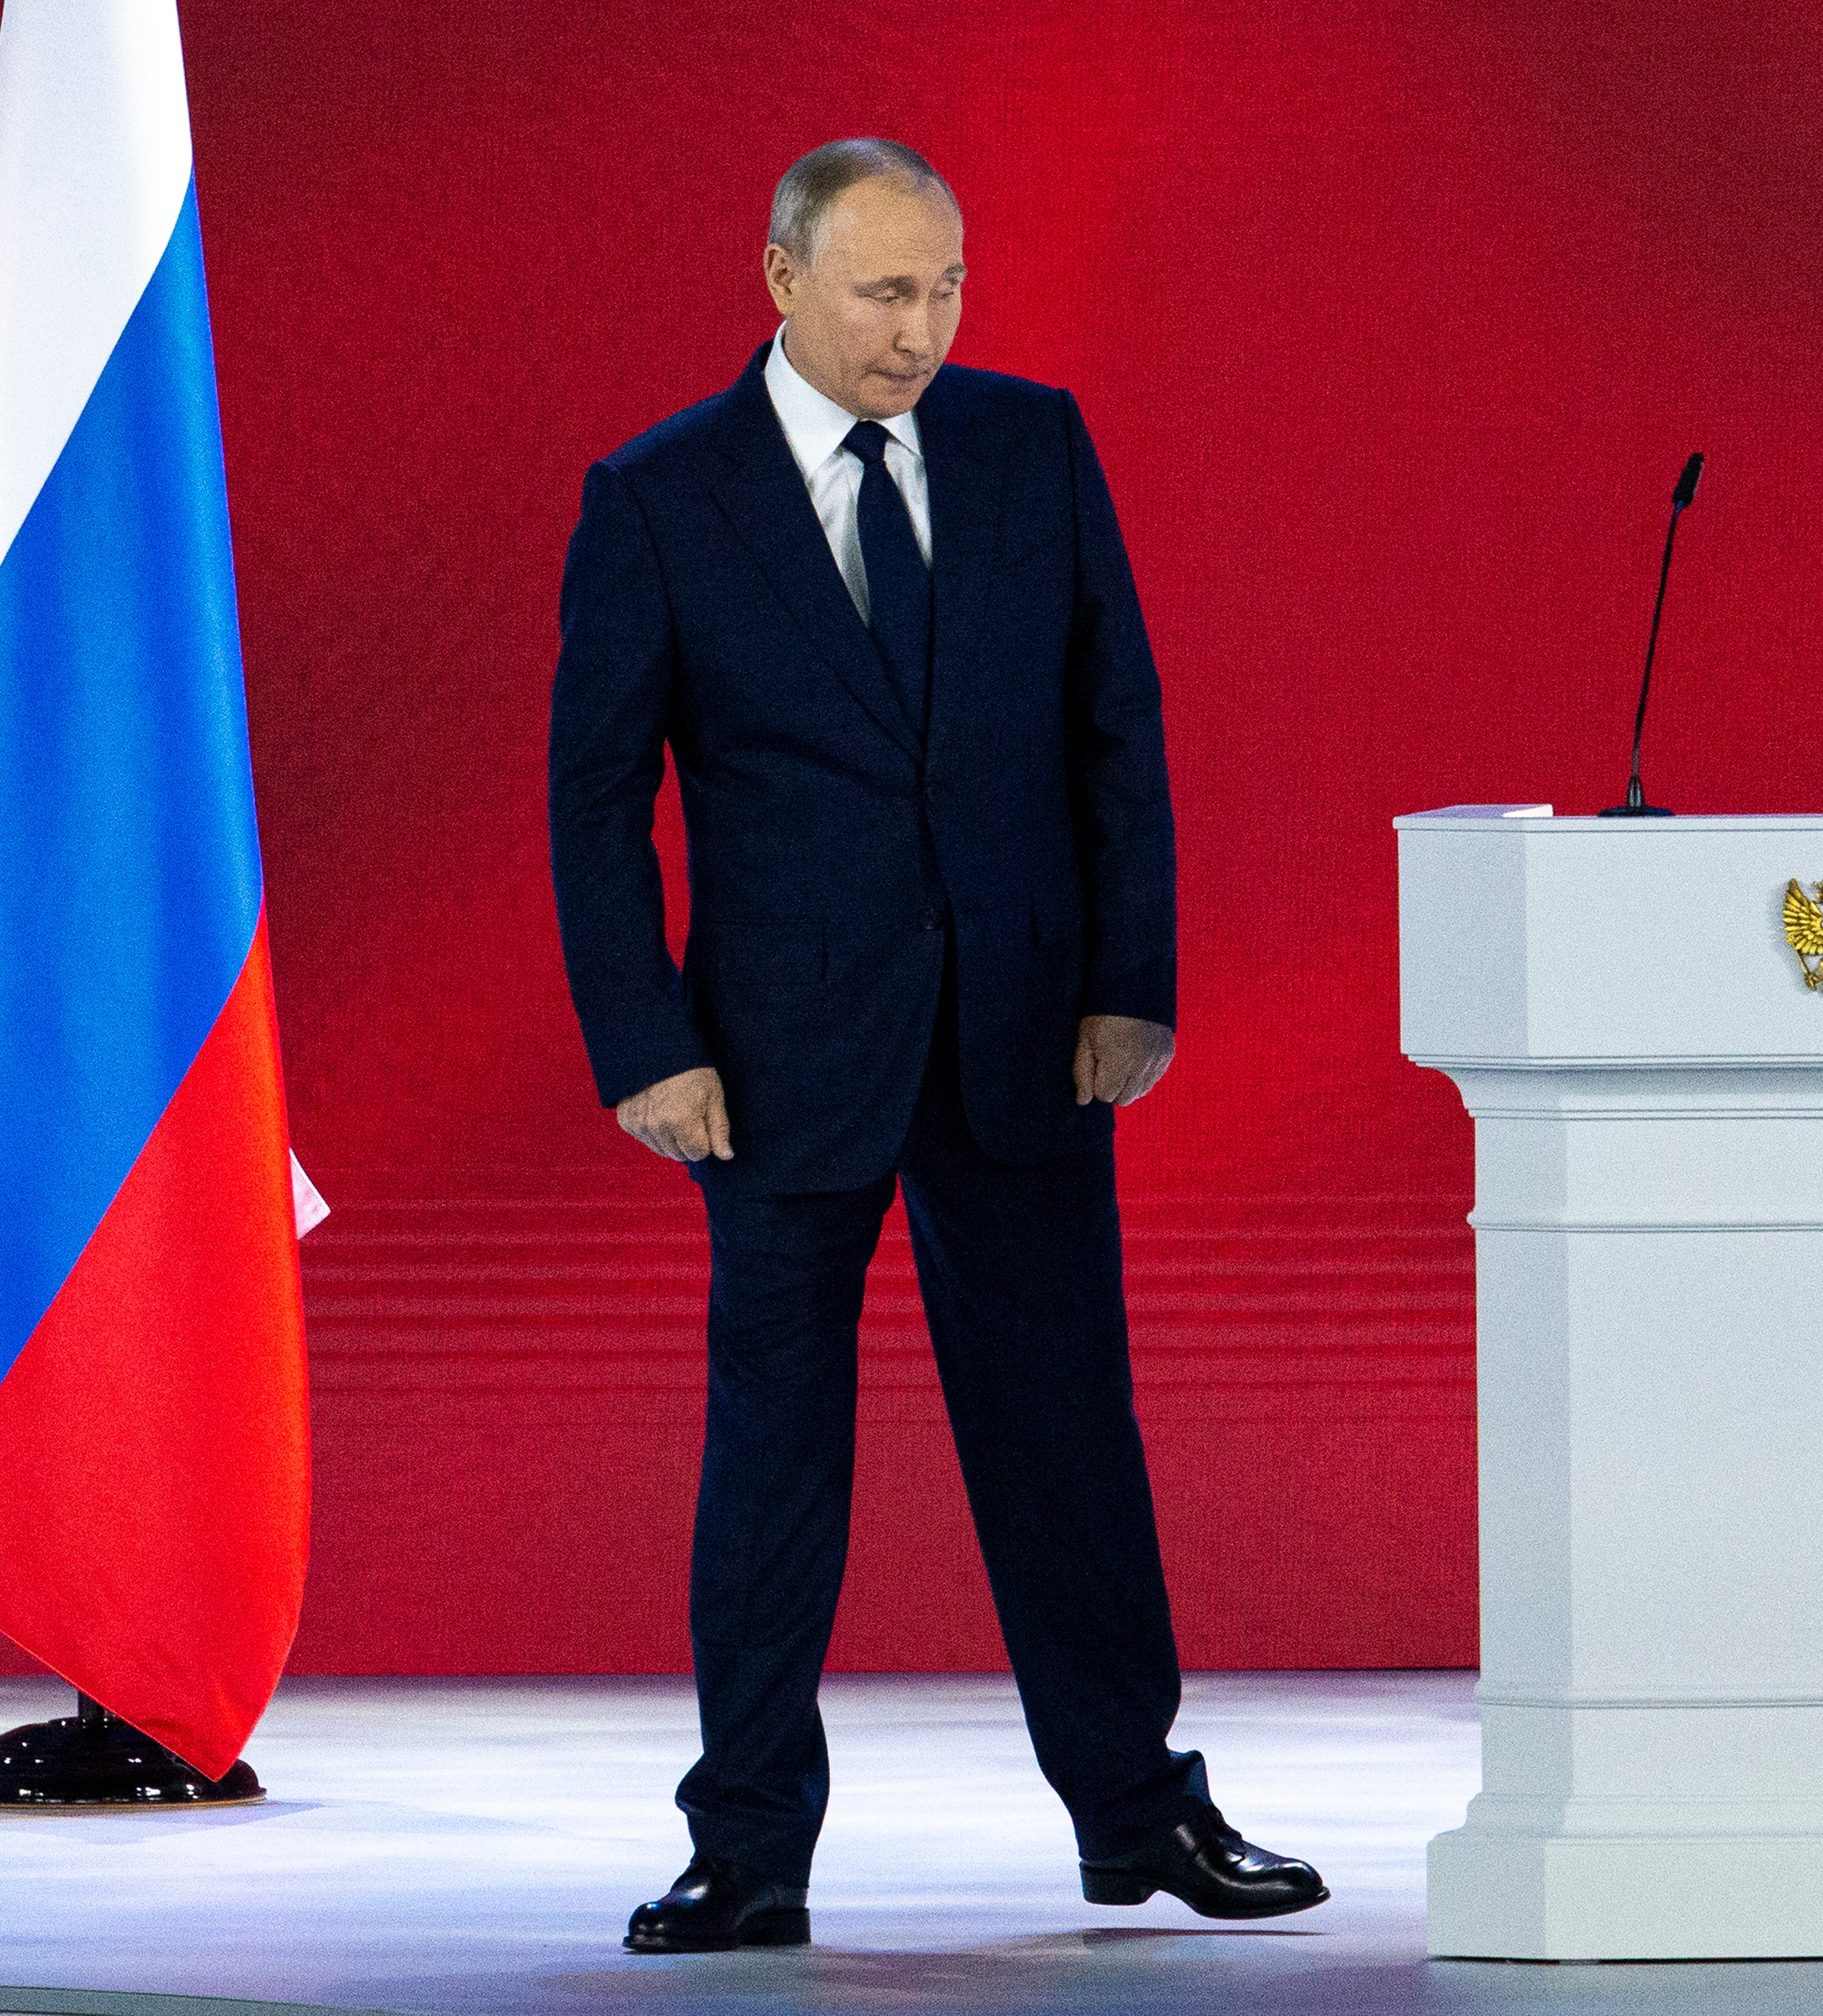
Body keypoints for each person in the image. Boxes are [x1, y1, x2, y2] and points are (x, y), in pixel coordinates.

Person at [547, 138, 1328, 1953]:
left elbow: (1112, 728)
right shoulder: (659, 496)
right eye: (886, 294)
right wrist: (644, 1041)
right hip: (773, 1053)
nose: (923, 330)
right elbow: (599, 805)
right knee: (772, 1459)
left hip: (1023, 1036)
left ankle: (1139, 1815)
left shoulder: (1031, 445)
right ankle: (745, 1845)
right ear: (781, 280)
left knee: (1066, 1434)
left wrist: (1131, 984)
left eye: (947, 289)